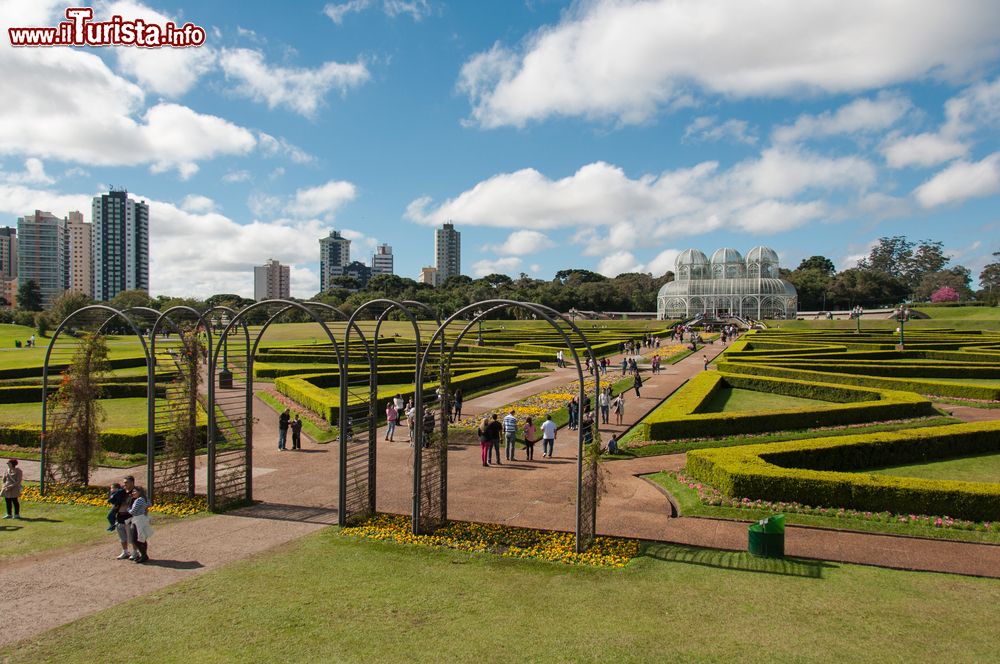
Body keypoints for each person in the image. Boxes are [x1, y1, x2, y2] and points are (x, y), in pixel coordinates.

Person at [114, 475, 136, 560]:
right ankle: (125, 551)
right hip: (120, 517)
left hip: (129, 517)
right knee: (122, 536)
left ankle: (135, 552)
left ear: (132, 482)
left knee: (131, 536)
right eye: (124, 482)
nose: (124, 484)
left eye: (126, 482)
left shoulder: (135, 492)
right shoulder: (122, 492)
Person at [128, 486, 152, 563]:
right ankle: (143, 555)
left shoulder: (138, 500)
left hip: (138, 519)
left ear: (139, 492)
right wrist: (144, 510)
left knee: (135, 539)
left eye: (134, 491)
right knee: (142, 538)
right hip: (143, 518)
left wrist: (128, 508)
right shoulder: (145, 499)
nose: (133, 493)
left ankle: (144, 555)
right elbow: (149, 504)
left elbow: (132, 512)